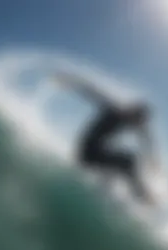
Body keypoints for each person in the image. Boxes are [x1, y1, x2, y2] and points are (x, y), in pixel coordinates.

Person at [55, 71, 159, 205]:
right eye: (137, 120)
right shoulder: (114, 108)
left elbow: (146, 137)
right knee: (128, 160)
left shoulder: (133, 122)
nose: (136, 125)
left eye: (139, 122)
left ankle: (109, 192)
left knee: (122, 158)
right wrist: (69, 82)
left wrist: (153, 160)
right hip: (87, 152)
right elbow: (91, 92)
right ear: (133, 111)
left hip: (98, 151)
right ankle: (143, 198)